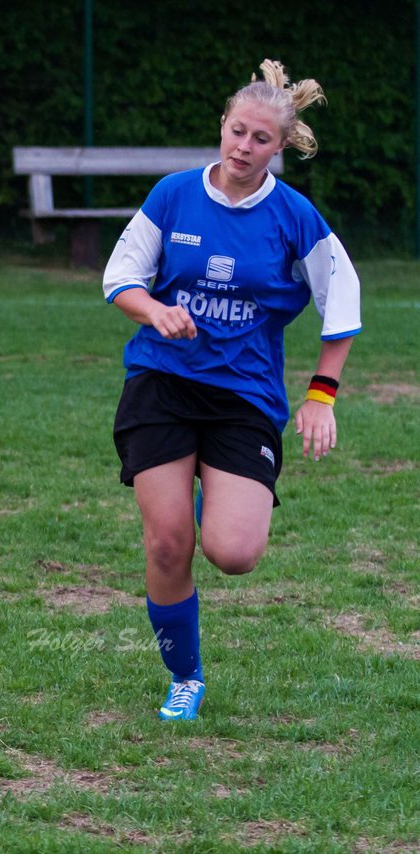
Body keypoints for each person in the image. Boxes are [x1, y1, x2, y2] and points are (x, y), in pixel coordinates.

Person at [102, 59, 361, 722]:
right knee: (166, 544)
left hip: (243, 395)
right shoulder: (174, 196)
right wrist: (154, 311)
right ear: (222, 126)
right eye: (237, 132)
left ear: (281, 148)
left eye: (261, 140)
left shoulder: (296, 217)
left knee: (234, 552)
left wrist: (321, 395)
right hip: (161, 381)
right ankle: (184, 677)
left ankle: (207, 508)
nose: (244, 148)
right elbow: (121, 275)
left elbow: (343, 303)